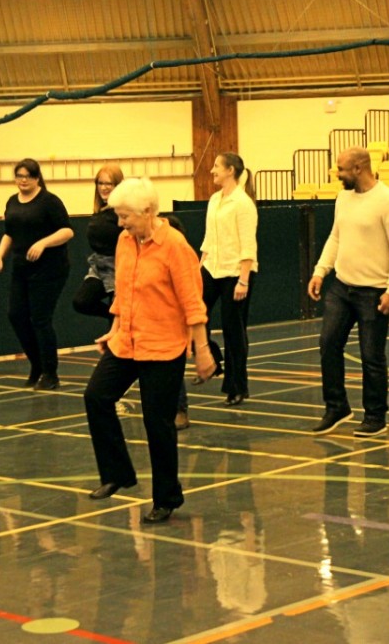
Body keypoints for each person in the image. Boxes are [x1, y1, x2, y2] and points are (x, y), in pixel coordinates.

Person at [83, 177, 216, 524]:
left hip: (163, 346)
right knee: (96, 396)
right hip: (126, 340)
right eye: (118, 216)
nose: (121, 223)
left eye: (126, 216)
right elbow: (123, 293)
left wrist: (202, 349)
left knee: (157, 424)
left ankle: (166, 497)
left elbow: (193, 302)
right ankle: (117, 473)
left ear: (148, 211)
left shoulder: (175, 247)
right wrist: (112, 331)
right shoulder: (125, 242)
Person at [306, 146, 389, 438]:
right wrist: (320, 270)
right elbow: (336, 236)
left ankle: (376, 416)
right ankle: (336, 407)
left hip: (374, 292)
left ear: (358, 168)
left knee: (371, 356)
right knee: (328, 343)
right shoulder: (343, 198)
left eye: (341, 169)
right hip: (341, 287)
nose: (337, 174)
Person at [0, 159, 73, 390]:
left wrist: (43, 243)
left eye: (28, 176)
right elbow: (9, 233)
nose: (23, 180)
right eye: (19, 176)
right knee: (16, 315)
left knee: (40, 319)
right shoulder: (12, 202)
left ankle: (50, 373)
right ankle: (37, 364)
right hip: (21, 267)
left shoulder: (49, 201)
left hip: (50, 269)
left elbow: (67, 231)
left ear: (37, 178)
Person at [199, 152, 259, 406]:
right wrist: (198, 267)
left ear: (230, 171)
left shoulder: (243, 204)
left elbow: (248, 245)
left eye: (216, 167)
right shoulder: (214, 200)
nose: (212, 171)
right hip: (212, 268)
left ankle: (237, 386)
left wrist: (243, 280)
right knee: (195, 316)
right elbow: (209, 238)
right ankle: (213, 360)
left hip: (235, 272)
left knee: (233, 331)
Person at [72, 163, 124, 319]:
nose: (104, 187)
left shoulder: (122, 211)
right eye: (100, 183)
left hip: (119, 266)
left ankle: (117, 324)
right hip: (100, 266)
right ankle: (114, 317)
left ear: (118, 185)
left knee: (117, 313)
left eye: (109, 183)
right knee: (81, 301)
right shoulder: (100, 210)